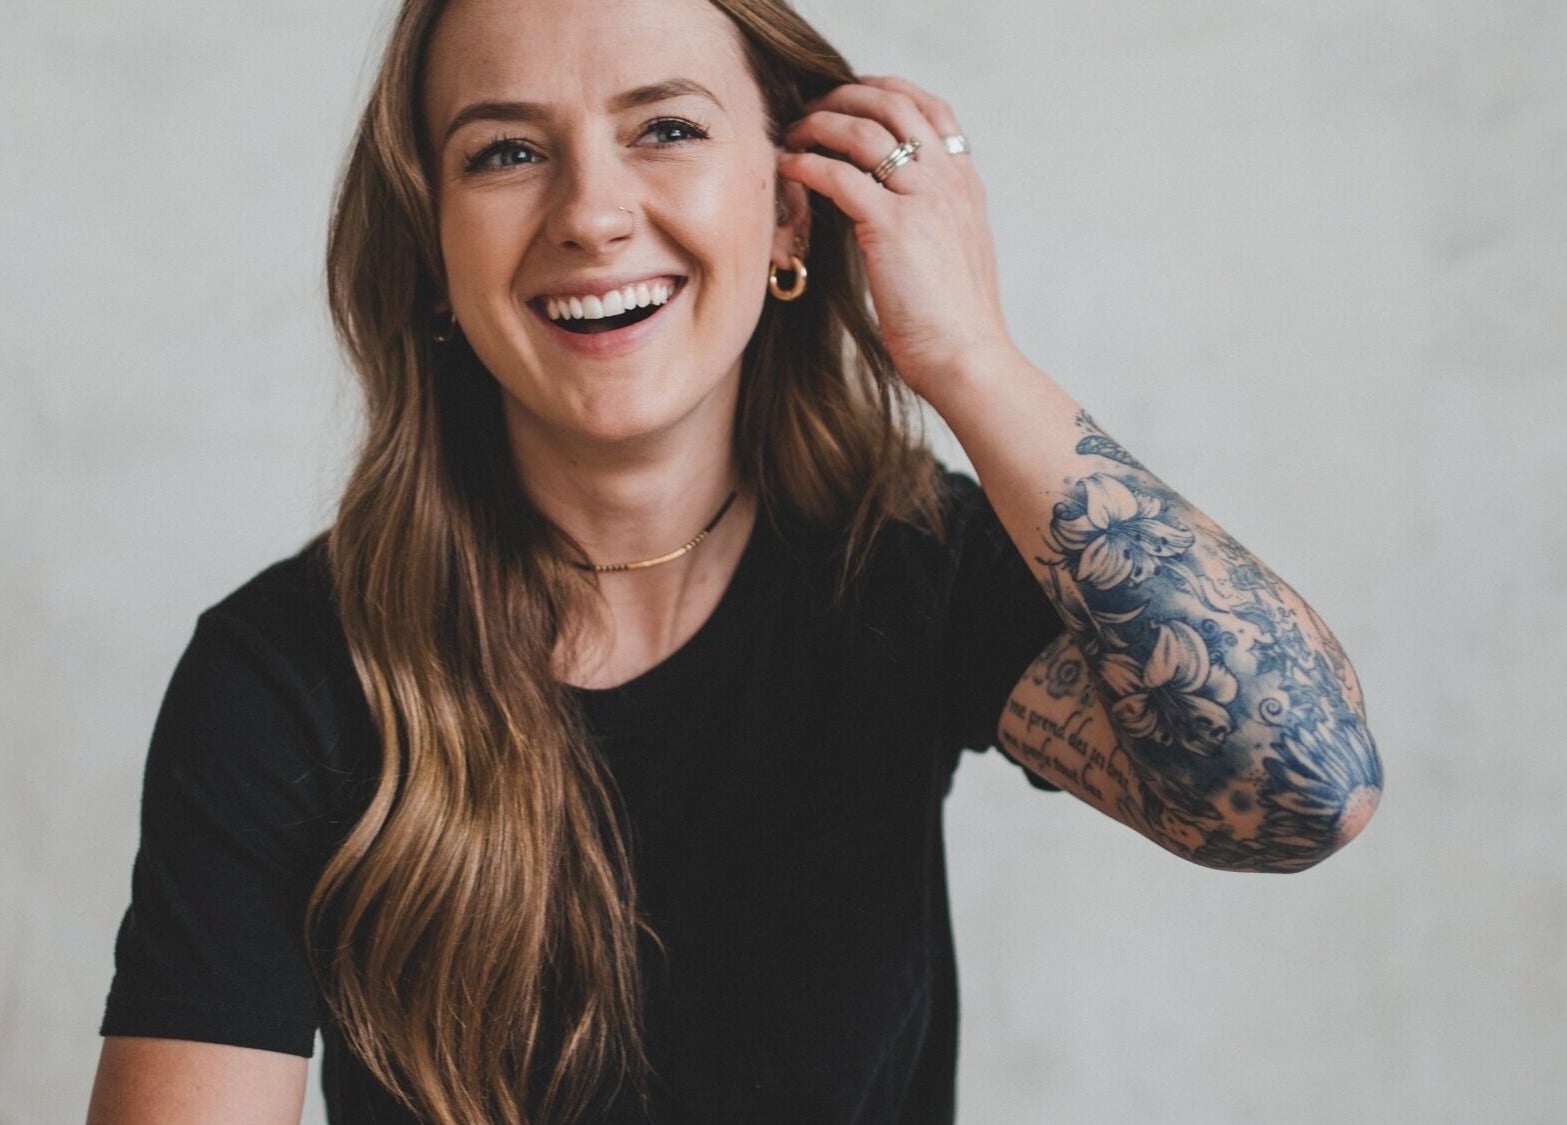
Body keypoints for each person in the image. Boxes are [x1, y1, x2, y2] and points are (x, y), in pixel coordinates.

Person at [86, 0, 1383, 1121]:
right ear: (432, 253)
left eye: (665, 127)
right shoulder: (284, 677)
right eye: (507, 149)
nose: (593, 211)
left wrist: (969, 360)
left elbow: (1309, 782)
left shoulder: (900, 569)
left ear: (787, 210)